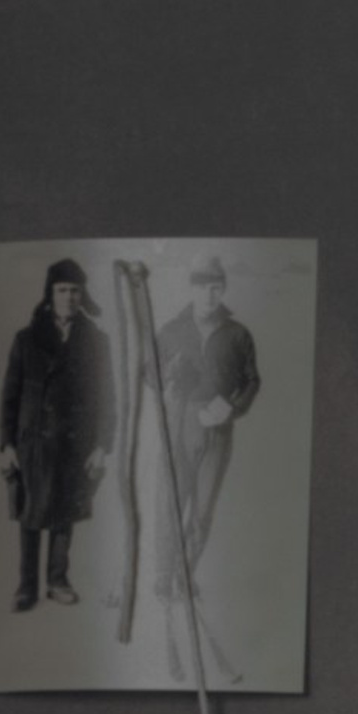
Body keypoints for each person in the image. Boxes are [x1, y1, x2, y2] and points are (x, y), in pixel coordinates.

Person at [0, 258, 118, 609]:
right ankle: (26, 586)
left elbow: (108, 398)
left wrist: (102, 445)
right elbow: (9, 395)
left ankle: (57, 580)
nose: (69, 297)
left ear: (82, 296)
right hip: (32, 442)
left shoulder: (97, 341)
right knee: (30, 513)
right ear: (50, 294)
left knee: (64, 515)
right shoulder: (26, 339)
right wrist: (6, 444)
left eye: (75, 291)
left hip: (74, 443)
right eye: (62, 290)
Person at [154, 252, 260, 593]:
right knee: (171, 501)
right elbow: (148, 374)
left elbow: (252, 380)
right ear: (191, 289)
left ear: (223, 289)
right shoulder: (171, 330)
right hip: (179, 422)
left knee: (202, 507)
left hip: (218, 428)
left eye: (215, 287)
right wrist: (168, 378)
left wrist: (232, 407)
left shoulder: (238, 334)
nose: (209, 295)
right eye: (202, 287)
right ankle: (162, 575)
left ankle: (185, 575)